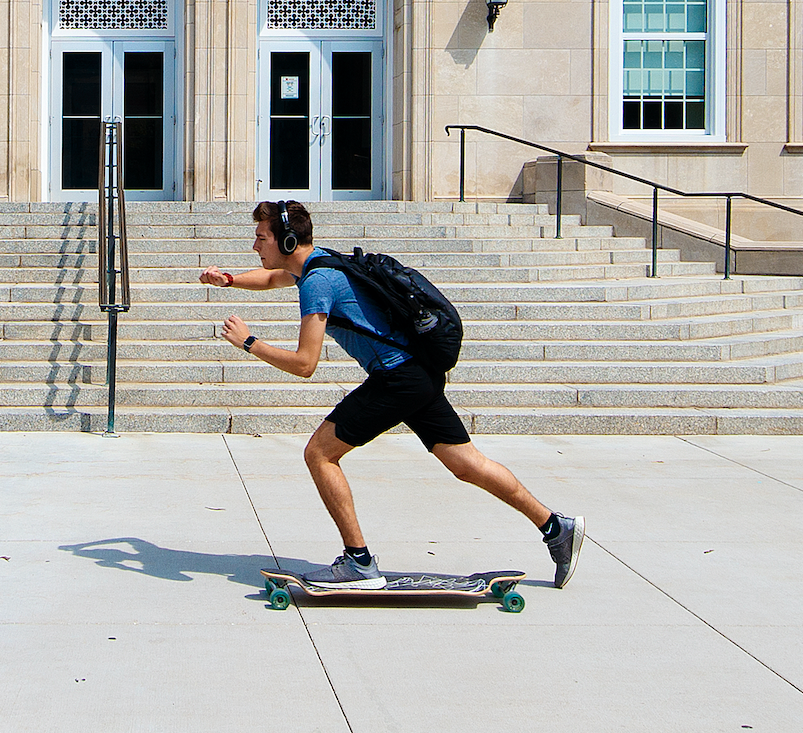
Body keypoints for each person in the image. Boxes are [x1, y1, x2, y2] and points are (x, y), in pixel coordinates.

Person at [203, 198, 583, 590]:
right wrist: (229, 280)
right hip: (417, 371)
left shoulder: (317, 282)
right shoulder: (320, 263)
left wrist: (249, 342)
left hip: (397, 378)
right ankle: (556, 527)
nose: (255, 246)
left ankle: (358, 562)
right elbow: (270, 279)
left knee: (319, 453)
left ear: (285, 243)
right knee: (466, 464)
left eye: (260, 238)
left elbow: (305, 364)